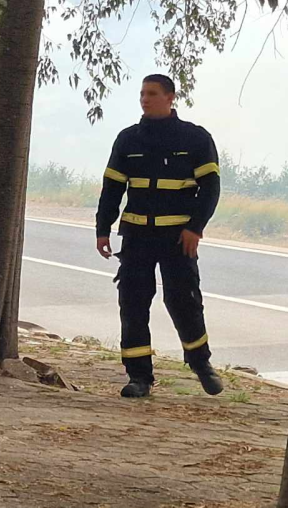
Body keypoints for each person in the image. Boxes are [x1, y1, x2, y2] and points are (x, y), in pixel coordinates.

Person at [96, 74, 223, 398]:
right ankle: (139, 377)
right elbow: (112, 189)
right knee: (133, 303)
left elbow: (210, 189)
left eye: (152, 93)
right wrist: (102, 229)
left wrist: (195, 228)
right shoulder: (128, 139)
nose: (145, 99)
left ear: (170, 97)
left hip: (178, 239)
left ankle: (201, 364)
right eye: (142, 93)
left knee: (184, 301)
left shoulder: (195, 138)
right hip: (137, 236)